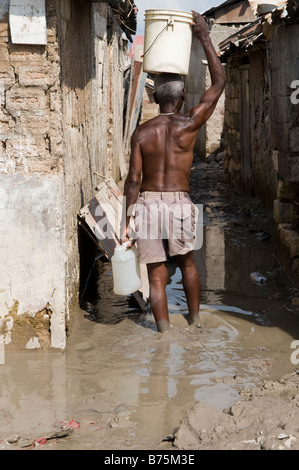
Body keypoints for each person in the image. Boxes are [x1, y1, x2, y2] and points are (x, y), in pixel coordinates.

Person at [120, 11, 226, 333]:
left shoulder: (141, 133)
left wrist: (127, 219)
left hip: (149, 204)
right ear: (181, 98)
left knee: (155, 276)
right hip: (180, 203)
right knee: (188, 263)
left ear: (153, 98)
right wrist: (204, 36)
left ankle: (163, 337)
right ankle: (195, 325)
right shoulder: (190, 123)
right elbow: (220, 81)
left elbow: (134, 180)